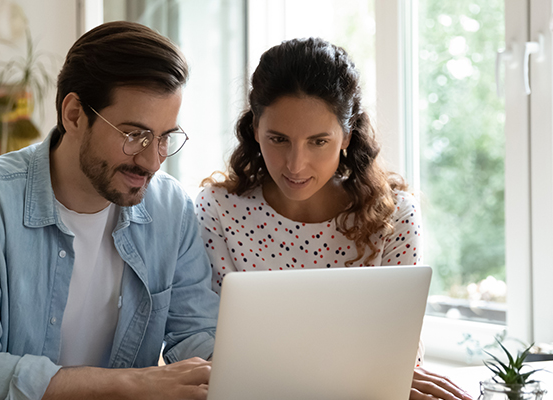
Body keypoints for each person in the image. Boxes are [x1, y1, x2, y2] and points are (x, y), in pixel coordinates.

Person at [0, 21, 218, 400]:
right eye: (133, 135)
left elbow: (196, 337)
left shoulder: (173, 210)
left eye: (165, 138)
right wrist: (133, 385)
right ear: (73, 114)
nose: (152, 160)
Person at [195, 37, 472, 400]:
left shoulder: (395, 216)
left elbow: (401, 347)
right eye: (278, 139)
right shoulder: (218, 209)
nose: (296, 164)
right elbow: (202, 344)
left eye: (318, 141)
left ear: (347, 136)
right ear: (254, 130)